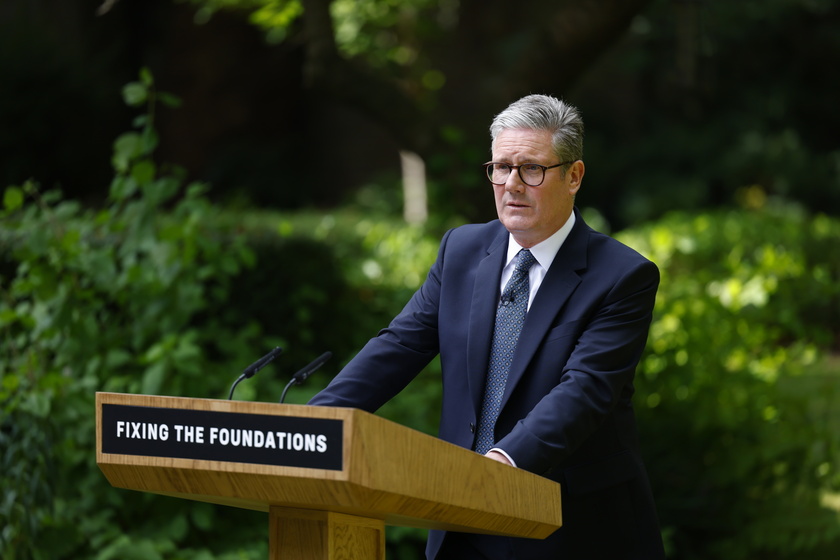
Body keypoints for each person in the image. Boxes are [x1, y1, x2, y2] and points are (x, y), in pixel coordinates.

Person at [308, 94, 666, 559]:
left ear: (573, 176)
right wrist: (312, 425)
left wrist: (496, 467)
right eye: (500, 167)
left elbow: (586, 390)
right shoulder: (461, 250)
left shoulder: (622, 275)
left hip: (570, 528)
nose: (511, 184)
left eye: (531, 169)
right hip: (458, 523)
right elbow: (399, 346)